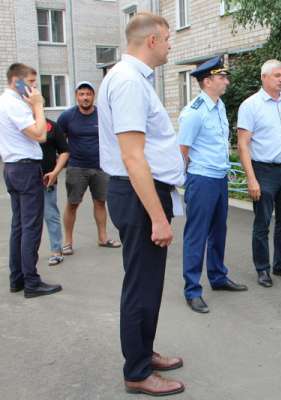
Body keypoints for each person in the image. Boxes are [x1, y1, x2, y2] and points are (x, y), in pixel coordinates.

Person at [97, 12, 185, 396]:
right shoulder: (129, 82)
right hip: (138, 196)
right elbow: (133, 157)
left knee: (147, 284)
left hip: (140, 193)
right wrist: (157, 217)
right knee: (141, 285)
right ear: (151, 41)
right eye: (167, 38)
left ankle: (144, 352)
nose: (170, 44)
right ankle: (136, 371)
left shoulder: (130, 79)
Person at [178, 56, 248, 314]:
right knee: (196, 234)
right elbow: (182, 150)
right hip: (201, 179)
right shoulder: (194, 112)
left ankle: (218, 277)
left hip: (219, 178)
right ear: (207, 81)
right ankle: (192, 290)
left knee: (219, 231)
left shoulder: (218, 106)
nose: (226, 81)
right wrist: (179, 183)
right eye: (222, 77)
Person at [237, 60, 281, 288]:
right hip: (264, 171)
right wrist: (251, 178)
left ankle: (280, 263)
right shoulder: (251, 105)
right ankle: (262, 269)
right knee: (262, 222)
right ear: (264, 77)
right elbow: (243, 144)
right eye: (277, 75)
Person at [0, 63, 62, 298]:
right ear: (17, 81)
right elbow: (40, 134)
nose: (35, 88)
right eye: (32, 82)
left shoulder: (7, 102)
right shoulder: (14, 104)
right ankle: (31, 282)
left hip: (14, 168)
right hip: (25, 170)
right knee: (31, 227)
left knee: (19, 225)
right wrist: (38, 106)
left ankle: (17, 278)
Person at [58, 81, 120, 256]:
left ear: (93, 96)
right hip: (76, 167)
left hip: (101, 167)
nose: (85, 97)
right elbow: (59, 142)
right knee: (73, 204)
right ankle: (68, 242)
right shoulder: (67, 117)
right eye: (81, 94)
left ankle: (103, 238)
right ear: (77, 96)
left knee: (100, 202)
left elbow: (113, 138)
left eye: (88, 94)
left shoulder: (103, 115)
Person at [41, 118, 70, 266]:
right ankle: (26, 255)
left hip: (47, 179)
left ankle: (56, 251)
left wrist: (55, 172)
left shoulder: (51, 125)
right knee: (25, 220)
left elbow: (64, 151)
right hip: (24, 179)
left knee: (50, 214)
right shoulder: (19, 121)